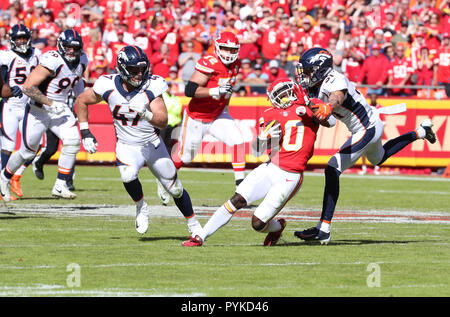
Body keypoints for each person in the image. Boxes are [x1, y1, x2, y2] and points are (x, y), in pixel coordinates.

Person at [294, 47, 438, 244]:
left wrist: (328, 106)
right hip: (370, 121)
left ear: (320, 69)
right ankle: (421, 132)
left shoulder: (334, 79)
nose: (306, 75)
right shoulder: (316, 85)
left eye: (309, 70)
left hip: (366, 128)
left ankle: (324, 229)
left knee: (332, 169)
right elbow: (328, 119)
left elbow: (337, 96)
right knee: (378, 158)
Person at [182, 78, 335, 247]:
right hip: (271, 167)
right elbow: (256, 150)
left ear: (294, 91)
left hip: (290, 176)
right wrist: (262, 139)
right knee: (237, 199)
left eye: (284, 93)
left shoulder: (310, 106)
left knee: (258, 223)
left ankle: (277, 227)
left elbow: (331, 122)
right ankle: (200, 237)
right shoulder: (271, 113)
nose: (282, 98)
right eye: (278, 95)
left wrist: (321, 112)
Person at [74, 45, 202, 236]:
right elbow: (81, 101)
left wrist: (146, 114)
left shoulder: (152, 85)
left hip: (152, 144)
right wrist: (85, 132)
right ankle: (141, 206)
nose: (139, 74)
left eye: (142, 69)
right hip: (126, 145)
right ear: (123, 68)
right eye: (134, 70)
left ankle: (193, 224)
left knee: (175, 189)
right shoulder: (106, 85)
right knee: (127, 176)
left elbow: (162, 121)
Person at [0, 29, 87, 202]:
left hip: (60, 109)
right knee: (26, 152)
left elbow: (79, 89)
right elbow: (28, 87)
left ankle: (60, 185)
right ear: (61, 46)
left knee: (73, 140)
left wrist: (86, 129)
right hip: (37, 111)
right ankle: (4, 177)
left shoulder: (83, 60)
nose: (72, 52)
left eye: (75, 48)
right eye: (68, 47)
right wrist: (50, 103)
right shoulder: (51, 59)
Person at [170, 31, 246, 195]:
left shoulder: (236, 65)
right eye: (225, 49)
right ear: (218, 48)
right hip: (197, 116)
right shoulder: (209, 62)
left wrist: (225, 107)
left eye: (232, 50)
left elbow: (228, 91)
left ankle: (241, 188)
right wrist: (215, 90)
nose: (229, 53)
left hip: (218, 114)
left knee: (238, 141)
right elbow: (190, 90)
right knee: (186, 157)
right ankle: (165, 178)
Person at [0, 24, 39, 199]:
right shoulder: (6, 56)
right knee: (7, 146)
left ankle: (14, 176)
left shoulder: (37, 55)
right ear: (12, 40)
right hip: (10, 105)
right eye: (18, 38)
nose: (21, 41)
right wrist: (8, 89)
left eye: (24, 37)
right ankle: (3, 184)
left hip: (29, 106)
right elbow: (0, 84)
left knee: (33, 146)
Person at [156, 81, 183, 205]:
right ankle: (162, 169)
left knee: (170, 148)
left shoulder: (175, 98)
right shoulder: (162, 97)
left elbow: (178, 112)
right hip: (163, 125)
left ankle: (165, 169)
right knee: (163, 147)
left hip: (173, 125)